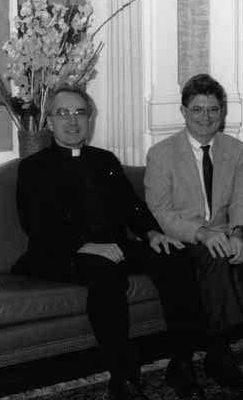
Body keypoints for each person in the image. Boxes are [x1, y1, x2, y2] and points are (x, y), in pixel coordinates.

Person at [13, 87, 205, 400]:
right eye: (63, 113)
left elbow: (133, 208)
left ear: (90, 118)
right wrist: (83, 245)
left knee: (175, 257)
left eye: (80, 112)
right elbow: (35, 224)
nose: (72, 120)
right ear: (49, 122)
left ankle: (182, 363)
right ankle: (124, 378)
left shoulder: (105, 160)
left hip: (111, 248)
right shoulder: (33, 167)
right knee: (104, 270)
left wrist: (153, 234)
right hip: (58, 253)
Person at [144, 73, 243, 391]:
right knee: (213, 256)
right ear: (183, 111)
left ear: (221, 112)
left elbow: (241, 198)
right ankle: (219, 353)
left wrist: (238, 233)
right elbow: (161, 212)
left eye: (213, 110)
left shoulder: (234, 150)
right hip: (186, 236)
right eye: (197, 109)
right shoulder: (162, 154)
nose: (206, 118)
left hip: (225, 231)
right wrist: (202, 234)